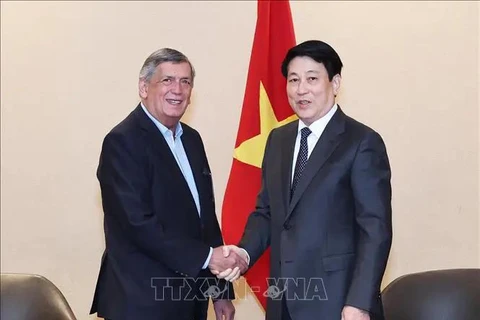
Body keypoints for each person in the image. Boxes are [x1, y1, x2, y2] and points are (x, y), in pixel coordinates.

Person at [218, 40, 392, 320]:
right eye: (294, 80)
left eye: (312, 79)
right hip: (282, 301)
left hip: (338, 304)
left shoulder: (361, 142)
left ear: (335, 83)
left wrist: (359, 303)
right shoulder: (278, 140)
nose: (301, 90)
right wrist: (245, 253)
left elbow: (375, 230)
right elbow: (267, 211)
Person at [90, 48, 247, 320]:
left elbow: (204, 219)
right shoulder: (122, 142)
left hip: (189, 301)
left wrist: (220, 291)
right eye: (167, 80)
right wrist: (209, 258)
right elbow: (138, 224)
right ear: (143, 87)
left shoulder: (192, 140)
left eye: (185, 82)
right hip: (141, 302)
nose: (178, 89)